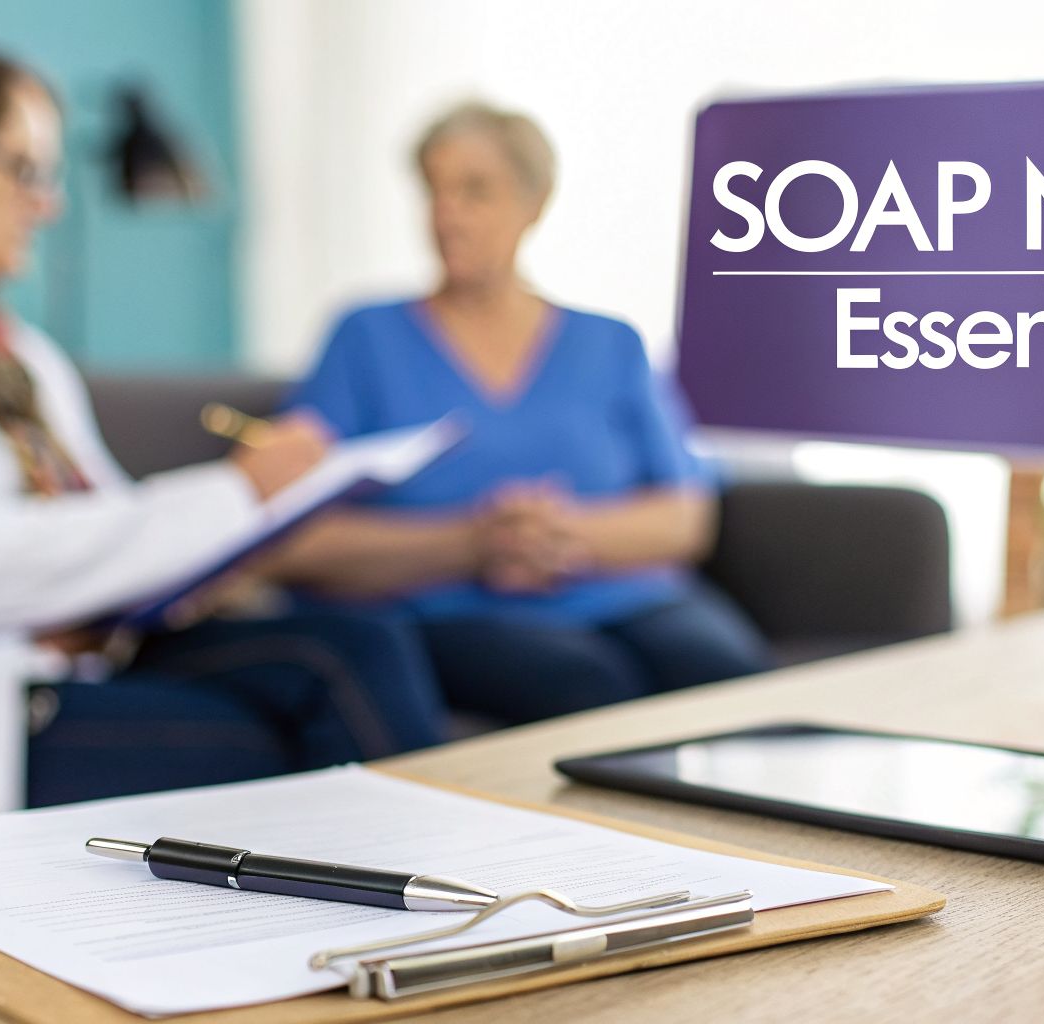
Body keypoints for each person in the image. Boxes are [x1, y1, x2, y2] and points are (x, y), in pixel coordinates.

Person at [0, 34, 447, 824]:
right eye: (25, 170)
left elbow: (102, 518)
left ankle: (472, 892)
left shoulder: (15, 355)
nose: (49, 204)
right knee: (263, 750)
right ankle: (451, 911)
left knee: (353, 649)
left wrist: (232, 542)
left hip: (77, 663)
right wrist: (233, 493)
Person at [271, 101, 771, 724]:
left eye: (474, 191)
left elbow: (684, 518)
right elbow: (291, 538)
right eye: (434, 191)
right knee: (582, 686)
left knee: (732, 681)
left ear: (534, 202)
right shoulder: (365, 337)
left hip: (625, 594)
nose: (446, 215)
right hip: (451, 610)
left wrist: (560, 537)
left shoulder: (610, 344)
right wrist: (470, 544)